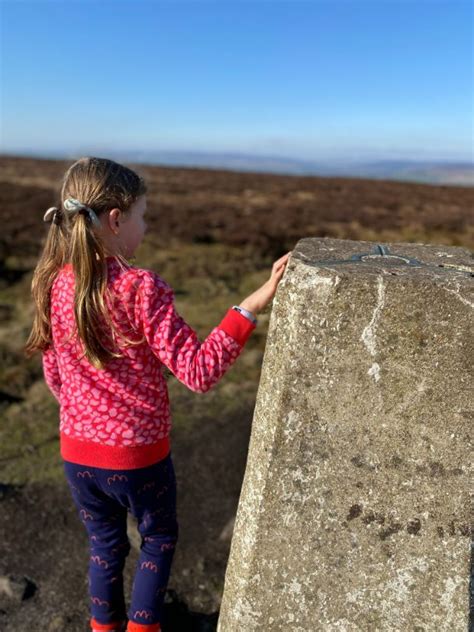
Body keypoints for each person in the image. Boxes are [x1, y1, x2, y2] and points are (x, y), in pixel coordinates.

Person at [23, 156, 292, 632]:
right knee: (159, 539)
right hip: (137, 458)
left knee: (104, 545)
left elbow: (55, 374)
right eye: (143, 216)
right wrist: (253, 302)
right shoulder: (140, 288)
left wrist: (90, 410)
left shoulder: (52, 284)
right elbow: (198, 371)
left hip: (77, 454)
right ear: (115, 219)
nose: (145, 227)